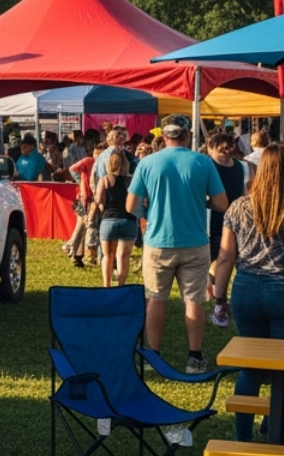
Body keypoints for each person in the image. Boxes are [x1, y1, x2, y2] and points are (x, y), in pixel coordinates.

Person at [211, 145, 284, 442]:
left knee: (250, 368)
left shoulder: (239, 206)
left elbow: (225, 257)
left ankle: (243, 436)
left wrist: (220, 299)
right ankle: (273, 429)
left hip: (247, 288)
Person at [128, 114, 230, 373]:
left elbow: (131, 205)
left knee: (155, 299)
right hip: (195, 241)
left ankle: (153, 357)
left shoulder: (147, 162)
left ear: (163, 136)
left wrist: (148, 216)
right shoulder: (203, 162)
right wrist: (201, 202)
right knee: (194, 301)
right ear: (188, 135)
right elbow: (221, 204)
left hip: (158, 241)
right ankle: (194, 358)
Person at [206, 131, 249, 328]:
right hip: (219, 220)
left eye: (227, 145)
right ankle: (213, 290)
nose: (225, 149)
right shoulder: (210, 166)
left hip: (229, 220)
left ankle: (215, 291)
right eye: (222, 145)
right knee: (216, 258)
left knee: (222, 257)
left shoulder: (239, 167)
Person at [95, 148, 138, 288]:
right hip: (128, 221)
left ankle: (106, 286)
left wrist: (104, 211)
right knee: (123, 256)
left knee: (107, 256)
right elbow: (138, 200)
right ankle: (121, 286)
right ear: (126, 164)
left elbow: (99, 200)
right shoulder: (132, 180)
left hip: (109, 220)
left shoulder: (105, 180)